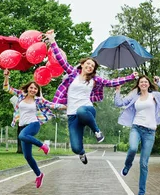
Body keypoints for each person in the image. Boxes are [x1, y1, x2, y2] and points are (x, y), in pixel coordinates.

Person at [43, 30, 138, 164]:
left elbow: (111, 83)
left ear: (93, 70)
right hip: (72, 115)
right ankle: (81, 153)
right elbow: (60, 59)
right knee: (75, 148)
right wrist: (52, 41)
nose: (89, 66)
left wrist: (130, 77)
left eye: (92, 66)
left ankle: (97, 132)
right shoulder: (72, 74)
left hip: (87, 110)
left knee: (82, 110)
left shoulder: (95, 80)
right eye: (87, 64)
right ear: (82, 65)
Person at [115, 75, 160, 195]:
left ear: (148, 84)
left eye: (145, 81)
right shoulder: (134, 96)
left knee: (144, 163)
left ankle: (141, 193)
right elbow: (118, 103)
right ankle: (127, 166)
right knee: (132, 148)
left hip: (150, 132)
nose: (143, 83)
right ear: (138, 84)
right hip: (136, 127)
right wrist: (118, 90)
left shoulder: (155, 95)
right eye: (141, 82)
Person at [4, 69, 66, 188]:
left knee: (21, 136)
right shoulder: (21, 95)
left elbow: (52, 105)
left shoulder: (38, 100)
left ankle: (43, 146)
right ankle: (39, 174)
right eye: (31, 88)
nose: (33, 90)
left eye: (35, 89)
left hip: (34, 124)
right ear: (27, 88)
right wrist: (6, 77)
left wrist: (65, 106)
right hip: (22, 125)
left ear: (37, 91)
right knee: (27, 156)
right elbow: (7, 88)